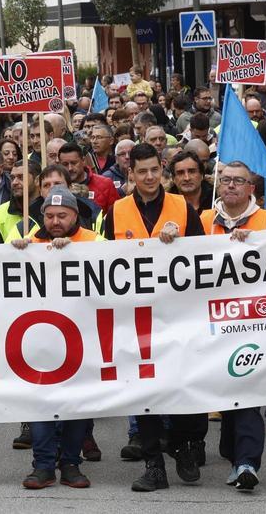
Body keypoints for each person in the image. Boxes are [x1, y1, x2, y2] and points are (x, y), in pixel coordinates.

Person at [103, 142, 206, 492]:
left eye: (154, 170)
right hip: (134, 318)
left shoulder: (181, 207)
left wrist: (179, 246)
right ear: (130, 173)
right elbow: (100, 263)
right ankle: (154, 464)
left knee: (184, 386)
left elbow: (205, 257)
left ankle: (185, 444)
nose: (149, 177)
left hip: (178, 316)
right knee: (144, 390)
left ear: (161, 169)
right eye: (141, 171)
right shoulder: (116, 211)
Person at [12, 185, 101, 491]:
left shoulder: (94, 242)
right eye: (49, 216)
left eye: (62, 215)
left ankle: (71, 464)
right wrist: (15, 252)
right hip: (39, 342)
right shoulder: (31, 243)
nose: (55, 222)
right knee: (41, 404)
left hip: (82, 338)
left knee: (76, 405)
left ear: (76, 215)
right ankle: (43, 465)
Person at [199, 162, 266, 492]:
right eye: (226, 180)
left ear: (251, 188)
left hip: (250, 322)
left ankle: (247, 462)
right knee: (224, 388)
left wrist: (255, 244)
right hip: (206, 321)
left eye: (239, 181)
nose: (231, 185)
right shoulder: (203, 220)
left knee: (247, 387)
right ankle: (232, 451)